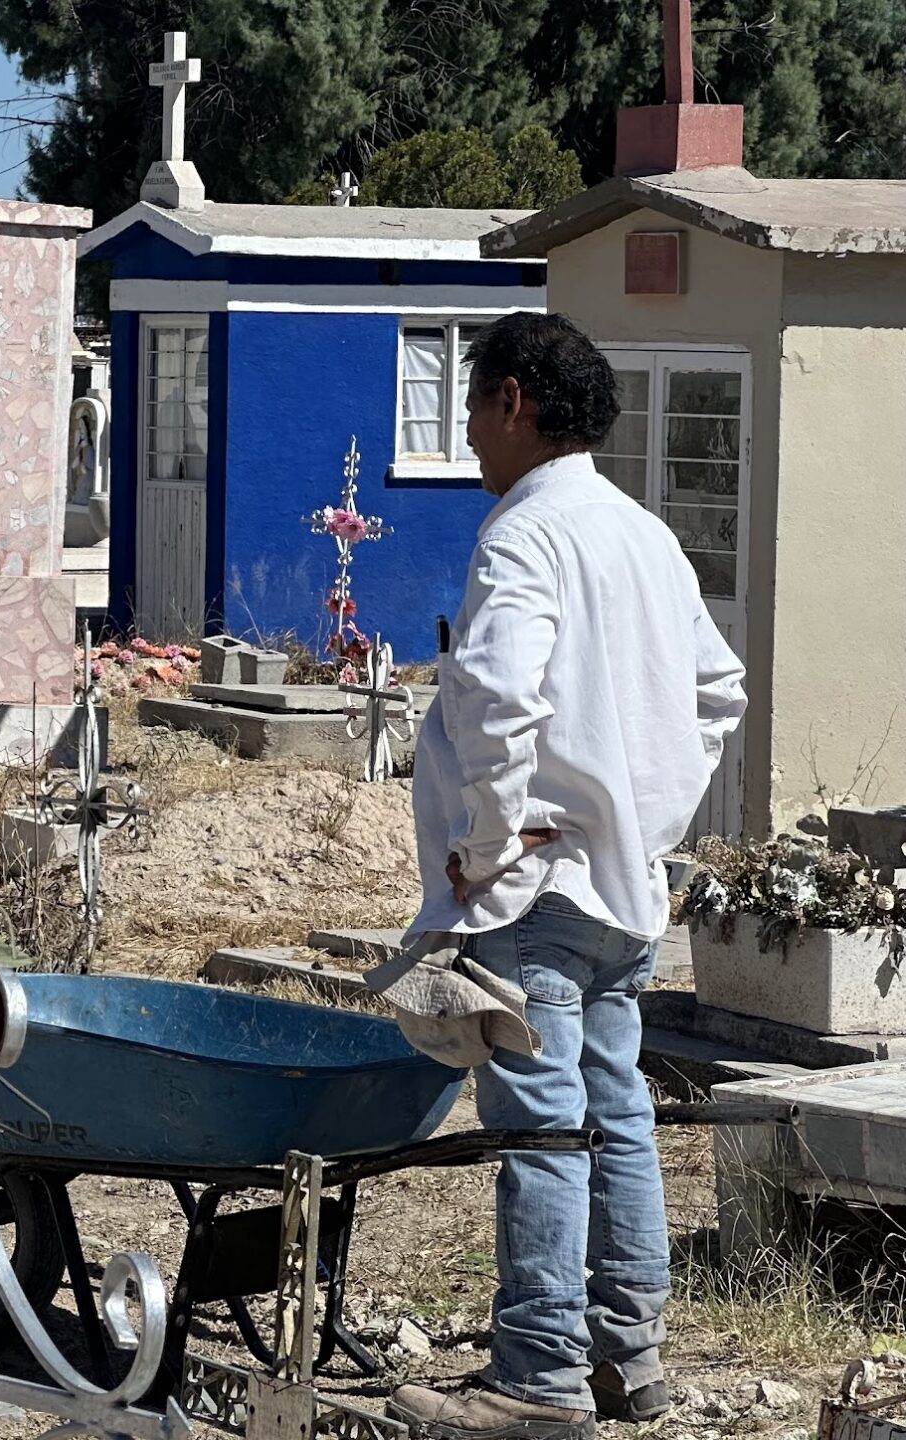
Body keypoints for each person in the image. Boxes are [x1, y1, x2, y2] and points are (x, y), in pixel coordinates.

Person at [389, 313, 745, 1440]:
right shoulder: (642, 532)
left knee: (544, 1123)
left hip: (536, 895)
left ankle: (538, 1377)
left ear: (515, 404)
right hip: (618, 891)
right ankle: (624, 1359)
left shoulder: (523, 534)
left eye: (474, 402)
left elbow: (497, 699)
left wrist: (490, 842)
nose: (468, 429)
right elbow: (714, 693)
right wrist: (639, 818)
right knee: (618, 1113)